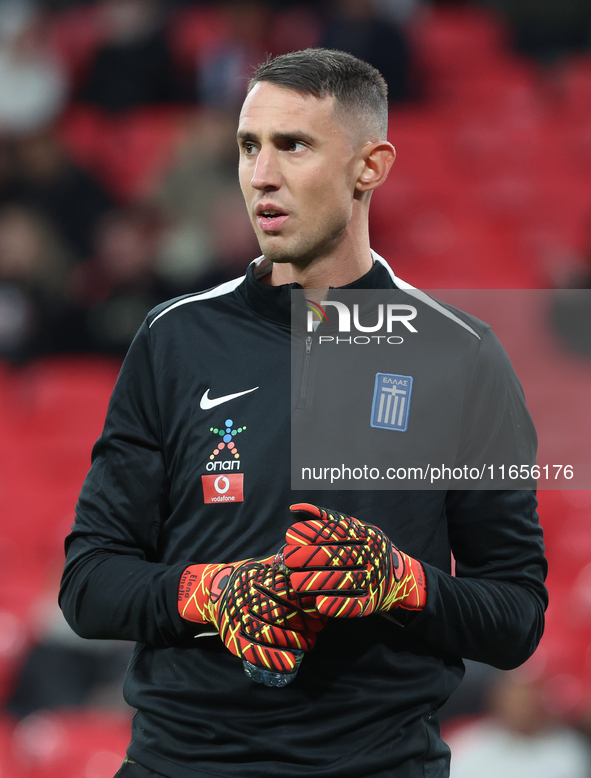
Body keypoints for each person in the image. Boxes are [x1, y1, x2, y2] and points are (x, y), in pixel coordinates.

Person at [59, 48, 548, 778]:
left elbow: (515, 616)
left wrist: (400, 583)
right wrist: (211, 591)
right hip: (180, 764)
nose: (260, 175)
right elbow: (89, 582)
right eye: (248, 146)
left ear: (369, 167)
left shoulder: (459, 355)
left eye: (293, 145)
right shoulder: (174, 339)